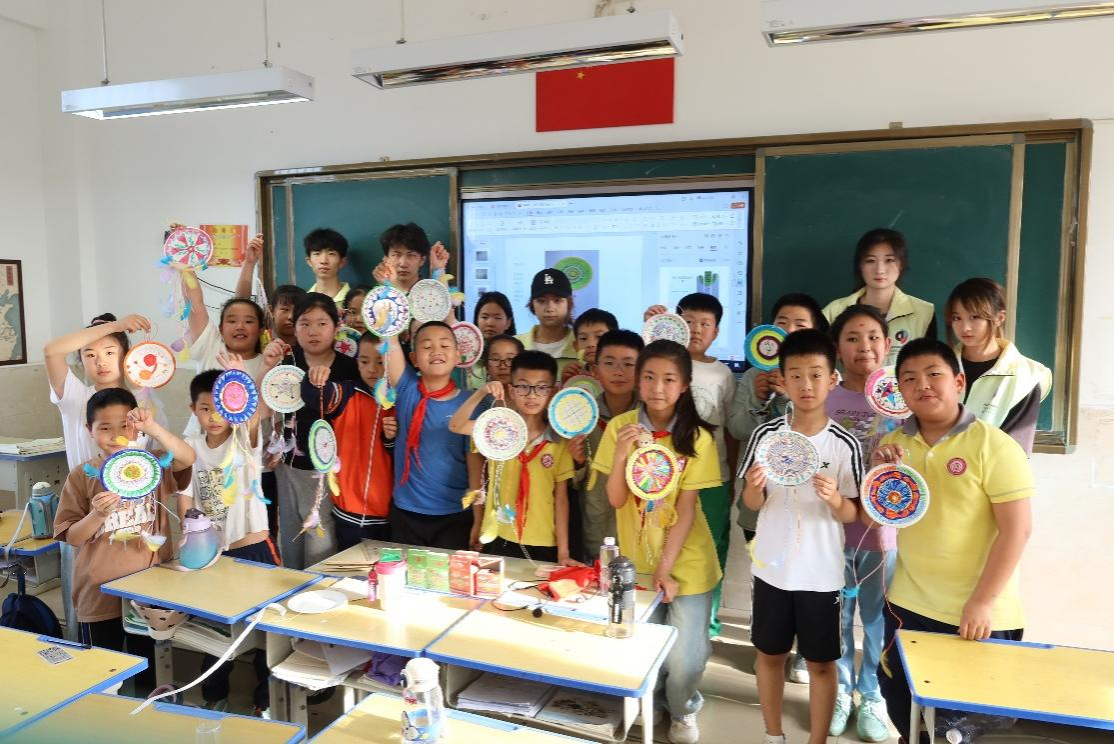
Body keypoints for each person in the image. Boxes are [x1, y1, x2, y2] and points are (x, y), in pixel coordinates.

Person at [873, 339, 1033, 744]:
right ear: (900, 390)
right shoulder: (893, 448)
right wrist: (881, 476)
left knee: (961, 727)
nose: (922, 385)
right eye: (910, 379)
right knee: (903, 704)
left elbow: (1017, 530)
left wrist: (982, 602)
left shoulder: (994, 446)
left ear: (959, 382)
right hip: (909, 603)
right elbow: (879, 516)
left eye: (934, 374)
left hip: (978, 612)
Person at [592, 339, 722, 744]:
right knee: (644, 645)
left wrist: (666, 569)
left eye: (668, 379)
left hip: (687, 560)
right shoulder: (620, 428)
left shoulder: (696, 438)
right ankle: (653, 704)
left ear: (684, 385)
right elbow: (616, 499)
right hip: (636, 560)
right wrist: (621, 455)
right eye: (648, 377)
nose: (657, 388)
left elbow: (686, 510)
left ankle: (683, 707)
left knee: (687, 656)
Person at [740, 329, 863, 744]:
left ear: (833, 380)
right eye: (795, 375)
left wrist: (834, 499)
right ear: (783, 380)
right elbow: (751, 505)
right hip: (772, 571)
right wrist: (755, 487)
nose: (806, 385)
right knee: (769, 655)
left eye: (815, 374)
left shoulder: (844, 444)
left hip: (821, 574)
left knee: (822, 664)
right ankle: (773, 735)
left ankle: (817, 740)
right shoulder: (765, 437)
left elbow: (852, 513)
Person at [53, 389, 195, 694]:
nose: (115, 434)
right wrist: (96, 514)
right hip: (98, 593)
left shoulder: (153, 465)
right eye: (104, 427)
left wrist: (152, 428)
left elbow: (188, 457)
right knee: (103, 677)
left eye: (124, 425)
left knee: (150, 673)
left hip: (148, 593)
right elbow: (72, 537)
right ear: (89, 430)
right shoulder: (82, 476)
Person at [181, 358, 277, 714]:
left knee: (265, 631)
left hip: (253, 546)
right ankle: (214, 696)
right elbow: (185, 494)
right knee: (214, 630)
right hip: (212, 554)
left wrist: (242, 379)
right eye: (205, 408)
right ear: (193, 410)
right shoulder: (190, 445)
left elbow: (252, 419)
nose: (214, 416)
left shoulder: (244, 439)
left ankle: (264, 702)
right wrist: (188, 535)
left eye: (221, 406)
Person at [826, 306, 899, 742]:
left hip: (881, 536)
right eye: (852, 338)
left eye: (873, 336)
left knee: (877, 620)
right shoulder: (825, 399)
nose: (864, 346)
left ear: (887, 345)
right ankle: (839, 690)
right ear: (838, 349)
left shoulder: (903, 403)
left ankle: (872, 695)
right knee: (835, 617)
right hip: (830, 531)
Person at [646, 294, 737, 638]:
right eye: (688, 321)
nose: (696, 329)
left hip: (713, 477)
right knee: (661, 541)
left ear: (716, 331)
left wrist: (730, 478)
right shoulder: (662, 363)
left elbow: (729, 431)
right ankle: (659, 615)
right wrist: (652, 330)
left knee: (711, 546)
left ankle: (706, 623)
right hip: (662, 476)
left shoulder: (723, 373)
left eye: (705, 323)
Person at [450, 351, 580, 565]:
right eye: (523, 386)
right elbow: (456, 425)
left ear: (553, 392)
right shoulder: (497, 428)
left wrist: (563, 552)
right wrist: (481, 392)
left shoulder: (559, 442)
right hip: (498, 534)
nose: (532, 395)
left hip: (544, 540)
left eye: (541, 387)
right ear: (511, 390)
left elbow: (561, 500)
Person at [276, 293, 359, 569]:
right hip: (288, 466)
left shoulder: (349, 367)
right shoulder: (286, 364)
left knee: (320, 537)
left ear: (336, 327)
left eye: (322, 323)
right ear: (295, 327)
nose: (313, 331)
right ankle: (289, 587)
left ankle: (317, 589)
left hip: (329, 471)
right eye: (305, 323)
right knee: (290, 534)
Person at [380, 312, 473, 549]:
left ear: (457, 355)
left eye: (445, 345)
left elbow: (475, 464)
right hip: (406, 511)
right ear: (413, 358)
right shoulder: (407, 389)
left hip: (454, 513)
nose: (436, 351)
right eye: (427, 346)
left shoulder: (470, 402)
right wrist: (389, 299)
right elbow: (391, 341)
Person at [302, 332, 398, 550]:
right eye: (364, 361)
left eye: (380, 362)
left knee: (384, 567)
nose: (372, 369)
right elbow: (316, 396)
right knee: (348, 566)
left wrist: (391, 439)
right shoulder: (346, 393)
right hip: (346, 512)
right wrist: (314, 378)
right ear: (357, 362)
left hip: (386, 516)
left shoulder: (399, 401)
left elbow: (402, 455)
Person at [946, 278, 1051, 454]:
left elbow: (1016, 450)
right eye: (957, 318)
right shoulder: (938, 367)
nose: (965, 327)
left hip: (990, 468)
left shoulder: (1027, 376)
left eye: (974, 317)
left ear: (999, 318)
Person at [44, 313, 150, 469]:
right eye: (90, 355)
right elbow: (51, 351)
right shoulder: (75, 396)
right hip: (84, 484)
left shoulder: (142, 400)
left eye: (109, 353)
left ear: (126, 355)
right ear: (81, 361)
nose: (101, 362)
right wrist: (116, 326)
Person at [573, 329, 642, 561]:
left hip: (640, 529)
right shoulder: (582, 415)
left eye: (628, 364)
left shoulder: (649, 416)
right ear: (595, 370)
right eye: (609, 363)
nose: (618, 372)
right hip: (597, 525)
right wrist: (577, 463)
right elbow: (570, 479)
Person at [822, 228, 937, 365]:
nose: (880, 270)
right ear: (860, 266)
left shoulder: (923, 312)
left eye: (889, 260)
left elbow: (929, 364)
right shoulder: (833, 312)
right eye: (870, 260)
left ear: (901, 264)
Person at [516, 268, 578, 377]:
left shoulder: (582, 344)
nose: (550, 308)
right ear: (532, 304)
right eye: (541, 301)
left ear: (569, 303)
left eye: (557, 300)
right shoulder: (515, 345)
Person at [379, 222, 451, 294]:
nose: (403, 264)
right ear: (386, 259)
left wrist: (438, 269)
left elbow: (444, 299)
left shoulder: (431, 294)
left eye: (411, 255)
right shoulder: (377, 296)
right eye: (396, 255)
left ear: (422, 260)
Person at [467, 294, 519, 389]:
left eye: (497, 318)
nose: (490, 323)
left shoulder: (518, 352)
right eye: (484, 317)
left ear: (508, 322)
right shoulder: (466, 356)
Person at [561, 308, 618, 382]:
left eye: (599, 337)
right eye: (583, 338)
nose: (590, 344)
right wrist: (567, 382)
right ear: (576, 346)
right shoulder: (576, 374)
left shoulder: (623, 373)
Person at [304, 228, 351, 307]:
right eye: (317, 254)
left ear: (342, 262)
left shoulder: (353, 301)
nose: (324, 261)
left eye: (331, 254)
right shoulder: (302, 302)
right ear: (309, 261)